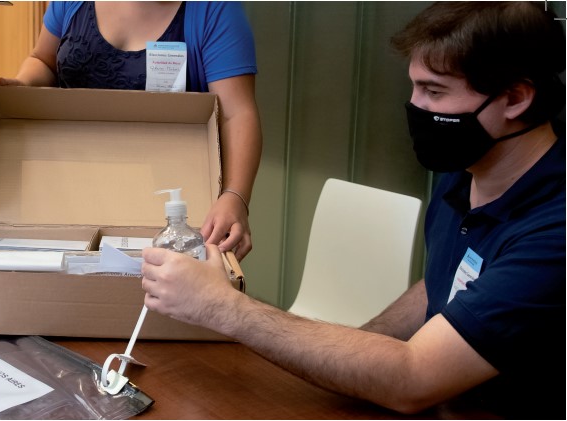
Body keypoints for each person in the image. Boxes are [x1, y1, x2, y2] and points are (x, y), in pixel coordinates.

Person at [140, 2, 565, 418]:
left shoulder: (553, 233)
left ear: (515, 98)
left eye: (434, 91)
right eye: (414, 87)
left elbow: (414, 378)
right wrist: (358, 348)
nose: (416, 107)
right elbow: (446, 283)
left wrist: (222, 306)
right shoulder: (469, 174)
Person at [0, 2, 262, 260]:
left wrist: (235, 196)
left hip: (166, 209)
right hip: (65, 191)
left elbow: (237, 114)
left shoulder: (214, 10)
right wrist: (23, 86)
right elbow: (43, 60)